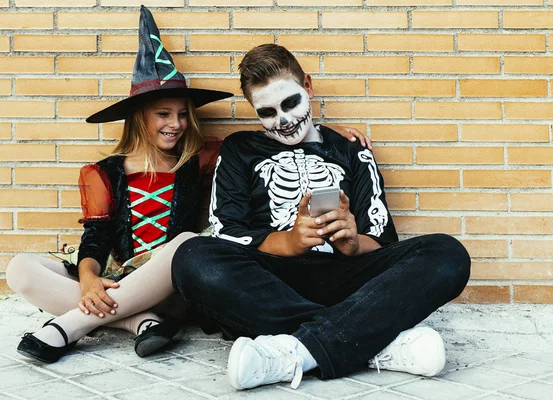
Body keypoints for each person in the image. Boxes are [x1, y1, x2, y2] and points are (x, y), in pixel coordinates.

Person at [7, 9, 370, 364]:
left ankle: (67, 327)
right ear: (140, 117)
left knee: (187, 243)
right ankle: (138, 322)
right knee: (19, 269)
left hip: (170, 282)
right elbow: (96, 237)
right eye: (163, 114)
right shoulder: (103, 173)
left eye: (183, 114)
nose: (176, 124)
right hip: (118, 277)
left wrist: (329, 138)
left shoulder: (203, 158)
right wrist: (88, 279)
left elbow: (270, 145)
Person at [168, 44, 472, 390]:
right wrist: (289, 242)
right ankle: (374, 343)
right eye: (267, 112)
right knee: (192, 257)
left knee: (447, 253)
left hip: (347, 277)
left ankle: (293, 351)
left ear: (308, 87)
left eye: (291, 103)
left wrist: (352, 243)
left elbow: (384, 242)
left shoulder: (350, 149)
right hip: (272, 283)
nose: (282, 120)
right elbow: (226, 232)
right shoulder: (240, 150)